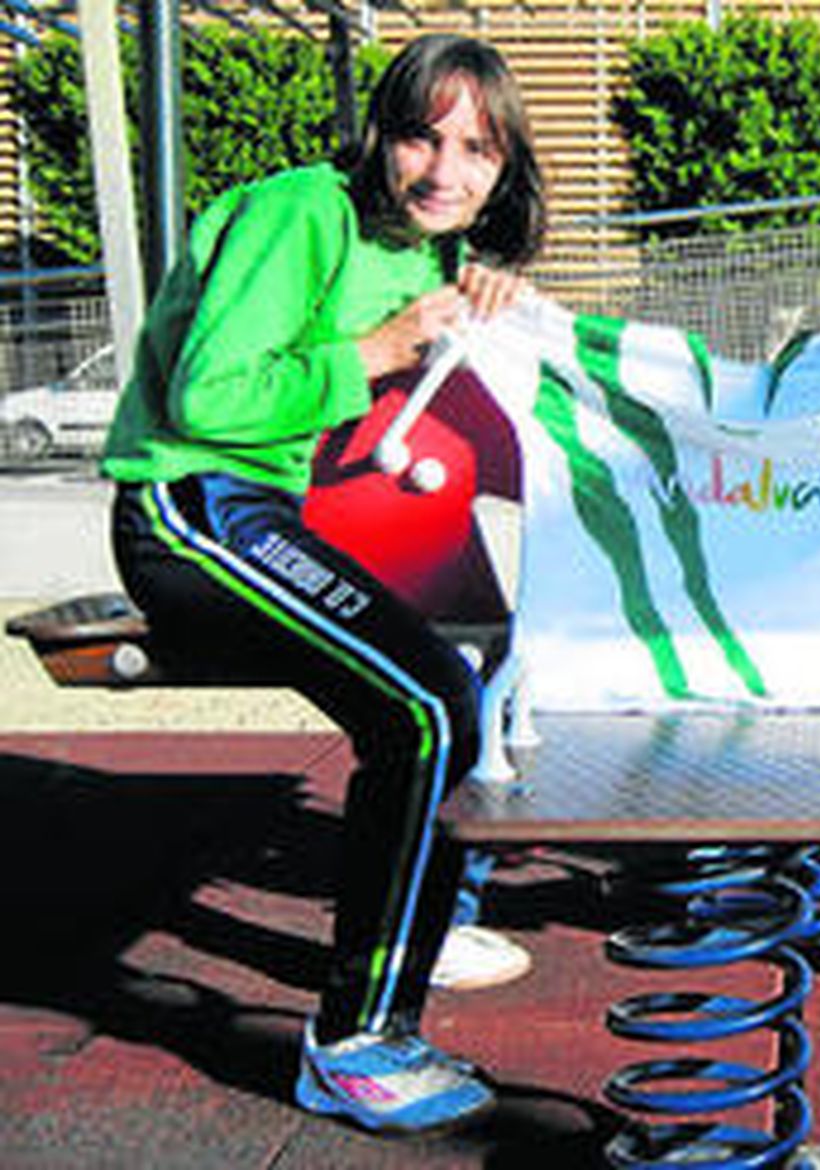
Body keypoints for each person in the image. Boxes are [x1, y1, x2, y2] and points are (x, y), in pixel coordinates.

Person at [101, 34, 545, 1133]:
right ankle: (353, 1044)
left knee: (463, 676)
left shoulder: (427, 248)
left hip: (271, 514)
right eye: (419, 137)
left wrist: (489, 284)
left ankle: (418, 925)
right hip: (188, 507)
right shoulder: (301, 212)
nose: (444, 171)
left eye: (476, 151)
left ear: (503, 169)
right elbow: (210, 397)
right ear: (379, 136)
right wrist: (384, 346)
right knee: (430, 701)